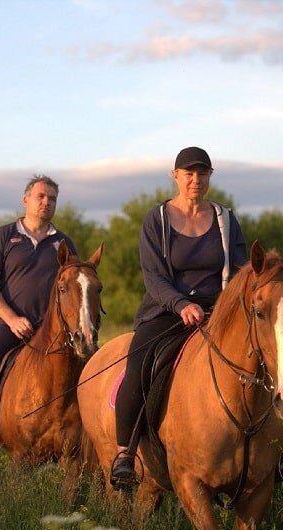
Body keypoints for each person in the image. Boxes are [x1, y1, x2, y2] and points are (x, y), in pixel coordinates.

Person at [109, 146, 250, 490]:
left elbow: (244, 269)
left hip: (220, 310)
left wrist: (229, 307)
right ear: (175, 177)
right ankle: (125, 453)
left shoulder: (225, 219)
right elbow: (154, 277)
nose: (196, 180)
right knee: (139, 362)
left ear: (209, 177)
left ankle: (279, 452)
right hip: (168, 310)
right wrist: (180, 305)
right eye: (188, 174)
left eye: (202, 174)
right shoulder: (156, 219)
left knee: (263, 362)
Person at [0, 174, 79, 472]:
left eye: (52, 198)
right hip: (11, 325)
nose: (47, 203)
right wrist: (11, 318)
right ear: (26, 200)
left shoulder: (63, 242)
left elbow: (74, 286)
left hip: (54, 331)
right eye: (41, 197)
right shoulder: (5, 236)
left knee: (89, 373)